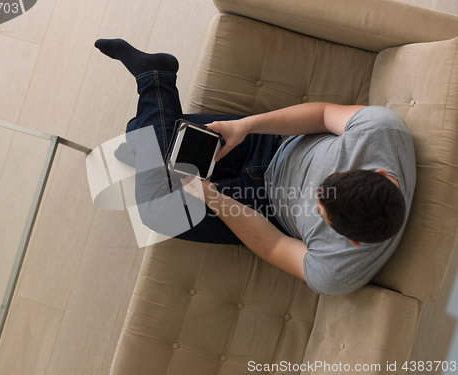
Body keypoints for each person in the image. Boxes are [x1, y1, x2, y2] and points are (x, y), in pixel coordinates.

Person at [95, 38, 417, 296]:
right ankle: (151, 106)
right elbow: (321, 115)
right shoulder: (383, 132)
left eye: (321, 212)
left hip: (262, 209)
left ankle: (154, 83)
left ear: (354, 242)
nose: (316, 197)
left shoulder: (337, 272)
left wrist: (214, 199)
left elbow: (275, 245)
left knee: (155, 209)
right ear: (376, 172)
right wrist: (247, 126)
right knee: (171, 142)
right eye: (329, 182)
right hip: (270, 143)